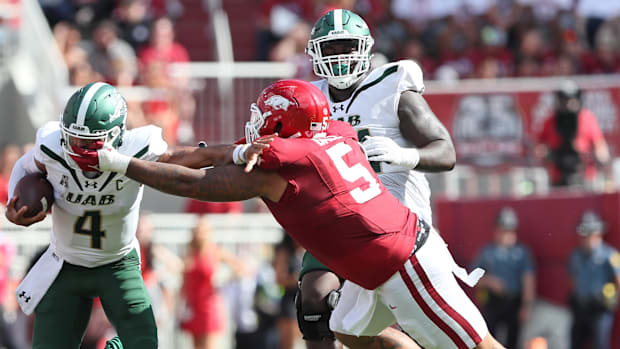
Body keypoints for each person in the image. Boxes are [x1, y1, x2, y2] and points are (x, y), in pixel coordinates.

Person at [91, 79, 504, 349]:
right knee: (350, 330)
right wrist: (147, 152)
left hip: (404, 262)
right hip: (375, 262)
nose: (255, 124)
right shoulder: (332, 132)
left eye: (265, 118)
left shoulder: (283, 164)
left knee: (477, 345)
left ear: (284, 126)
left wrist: (121, 165)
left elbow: (192, 184)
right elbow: (211, 153)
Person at [3, 82, 264, 349]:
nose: (78, 147)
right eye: (73, 137)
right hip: (66, 264)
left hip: (116, 266)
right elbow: (24, 165)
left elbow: (188, 157)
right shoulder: (53, 147)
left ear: (115, 135)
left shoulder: (134, 148)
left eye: (88, 141)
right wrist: (16, 203)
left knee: (144, 343)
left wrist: (237, 151)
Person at [302, 8, 456, 349]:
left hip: (394, 218)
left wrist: (405, 155)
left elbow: (446, 153)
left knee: (421, 322)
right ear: (315, 53)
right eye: (331, 48)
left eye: (347, 46)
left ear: (366, 48)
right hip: (335, 218)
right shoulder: (307, 100)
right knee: (313, 300)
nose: (340, 57)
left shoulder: (392, 85)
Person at [472, 207, 536, 349]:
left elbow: (528, 280)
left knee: (513, 340)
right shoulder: (487, 252)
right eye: (503, 230)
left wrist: (527, 306)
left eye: (509, 230)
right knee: (489, 339)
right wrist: (490, 281)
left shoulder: (521, 253)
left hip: (513, 302)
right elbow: (474, 278)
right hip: (493, 303)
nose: (506, 235)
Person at [180, 216, 246, 349]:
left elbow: (239, 266)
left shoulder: (214, 251)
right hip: (194, 304)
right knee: (196, 345)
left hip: (209, 304)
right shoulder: (190, 252)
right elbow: (185, 278)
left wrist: (224, 279)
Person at [536, 80, 609, 187]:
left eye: (571, 101)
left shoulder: (587, 118)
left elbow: (600, 144)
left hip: (584, 176)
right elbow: (539, 145)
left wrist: (601, 157)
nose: (568, 105)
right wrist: (545, 154)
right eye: (564, 101)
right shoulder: (550, 120)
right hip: (558, 177)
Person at [568, 211, 620, 349]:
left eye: (588, 235)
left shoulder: (611, 255)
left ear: (598, 234)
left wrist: (614, 301)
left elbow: (618, 280)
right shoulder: (576, 255)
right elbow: (573, 279)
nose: (584, 239)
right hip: (580, 309)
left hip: (600, 310)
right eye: (583, 236)